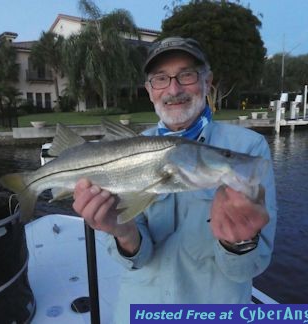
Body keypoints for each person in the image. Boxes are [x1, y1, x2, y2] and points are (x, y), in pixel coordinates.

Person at [73, 37, 277, 323]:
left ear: (207, 82)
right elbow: (137, 259)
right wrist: (122, 231)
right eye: (160, 79)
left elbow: (251, 267)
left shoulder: (248, 150)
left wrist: (238, 244)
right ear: (149, 90)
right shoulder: (127, 151)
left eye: (186, 75)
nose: (174, 89)